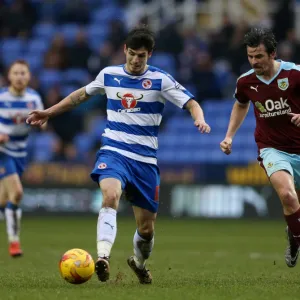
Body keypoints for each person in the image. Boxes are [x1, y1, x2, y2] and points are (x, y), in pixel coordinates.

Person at [27, 26, 211, 284]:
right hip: (114, 151)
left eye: (142, 56)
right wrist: (48, 112)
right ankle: (103, 257)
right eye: (132, 54)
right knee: (110, 195)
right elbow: (78, 96)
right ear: (125, 50)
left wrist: (199, 119)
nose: (136, 61)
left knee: (146, 229)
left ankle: (139, 263)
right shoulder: (109, 75)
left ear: (150, 55)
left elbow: (191, 102)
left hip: (145, 160)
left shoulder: (160, 80)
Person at [220, 27, 300, 268]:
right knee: (287, 195)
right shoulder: (245, 82)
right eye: (250, 56)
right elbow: (241, 105)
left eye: (259, 57)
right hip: (272, 148)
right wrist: (229, 136)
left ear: (273, 54)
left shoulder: (294, 74)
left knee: (294, 207)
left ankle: (294, 238)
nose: (254, 62)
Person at [0, 59, 45, 257]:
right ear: (9, 76)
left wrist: (40, 123)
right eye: (16, 73)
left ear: (29, 76)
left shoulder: (34, 98)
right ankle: (14, 243)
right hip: (3, 151)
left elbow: (42, 121)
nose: (19, 77)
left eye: (23, 73)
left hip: (20, 152)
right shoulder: (1, 97)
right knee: (17, 193)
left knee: (4, 198)